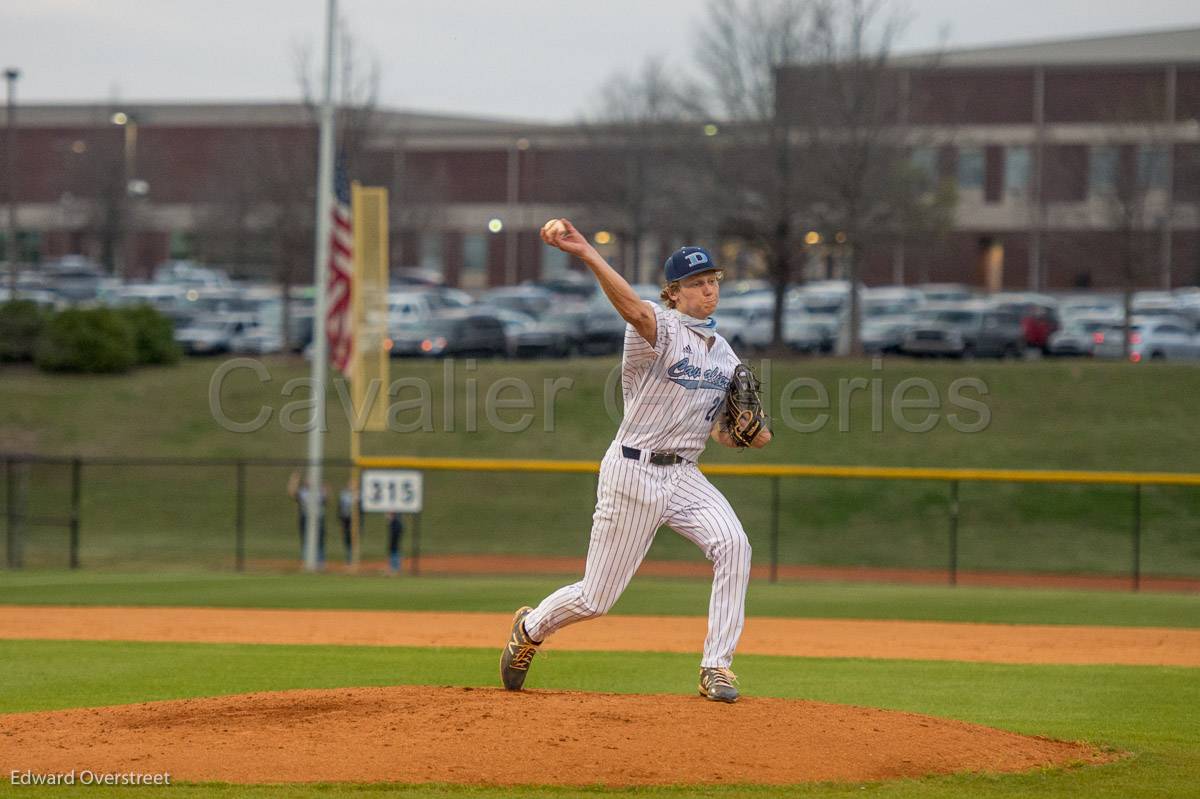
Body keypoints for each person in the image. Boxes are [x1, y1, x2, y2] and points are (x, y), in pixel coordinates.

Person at [500, 218, 771, 703]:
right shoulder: (656, 326)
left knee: (734, 544)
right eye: (696, 283)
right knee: (596, 598)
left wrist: (749, 433)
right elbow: (630, 305)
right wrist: (586, 251)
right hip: (633, 470)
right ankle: (532, 627)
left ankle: (717, 667)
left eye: (712, 281)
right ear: (674, 292)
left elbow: (729, 434)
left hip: (685, 473)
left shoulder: (727, 356)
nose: (708, 290)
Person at [287, 471, 328, 568]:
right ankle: (307, 563)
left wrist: (322, 484)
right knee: (306, 542)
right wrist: (294, 480)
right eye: (308, 479)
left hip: (319, 519)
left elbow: (327, 497)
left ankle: (320, 563)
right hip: (305, 519)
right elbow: (292, 493)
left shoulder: (319, 491)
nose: (309, 481)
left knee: (320, 542)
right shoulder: (303, 492)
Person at [338, 479, 357, 565]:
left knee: (354, 538)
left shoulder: (358, 494)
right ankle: (349, 557)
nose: (351, 486)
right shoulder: (344, 494)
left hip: (355, 520)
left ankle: (353, 558)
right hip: (346, 518)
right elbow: (340, 507)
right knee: (347, 538)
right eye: (350, 484)